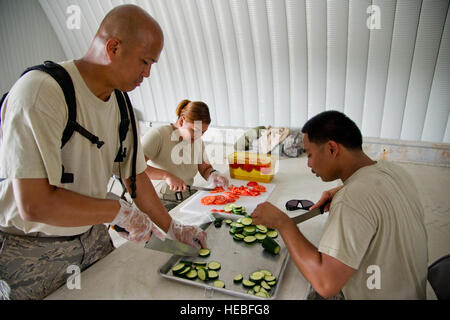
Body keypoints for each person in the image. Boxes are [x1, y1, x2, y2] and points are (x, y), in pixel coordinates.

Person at [0, 5, 206, 300]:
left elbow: (136, 180)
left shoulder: (123, 108)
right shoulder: (41, 92)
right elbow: (34, 204)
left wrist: (174, 229)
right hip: (32, 245)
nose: (147, 73)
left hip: (92, 236)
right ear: (113, 47)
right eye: (145, 62)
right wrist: (117, 211)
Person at [251, 110, 428, 299]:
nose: (309, 164)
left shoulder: (352, 199)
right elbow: (374, 195)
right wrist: (345, 190)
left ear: (332, 149)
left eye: (309, 155)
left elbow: (326, 285)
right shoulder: (394, 171)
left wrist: (283, 223)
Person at [141, 99, 229, 211]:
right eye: (194, 130)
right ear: (182, 121)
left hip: (186, 198)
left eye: (202, 132)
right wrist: (166, 176)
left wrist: (214, 175)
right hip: (159, 201)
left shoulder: (196, 141)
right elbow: (135, 167)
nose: (198, 136)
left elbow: (205, 168)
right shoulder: (159, 135)